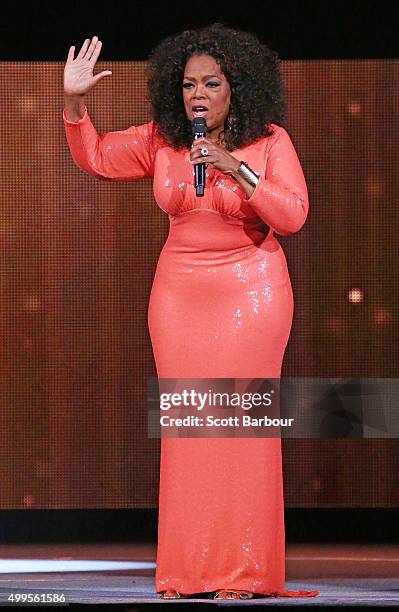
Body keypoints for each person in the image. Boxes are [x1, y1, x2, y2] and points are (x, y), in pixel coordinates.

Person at [63, 23, 320, 600]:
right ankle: (190, 569)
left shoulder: (270, 141)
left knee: (240, 426)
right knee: (190, 427)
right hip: (180, 296)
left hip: (251, 291)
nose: (197, 96)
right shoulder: (164, 139)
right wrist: (75, 101)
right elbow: (97, 156)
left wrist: (235, 167)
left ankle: (246, 570)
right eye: (187, 85)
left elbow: (294, 215)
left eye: (210, 84)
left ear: (238, 87)